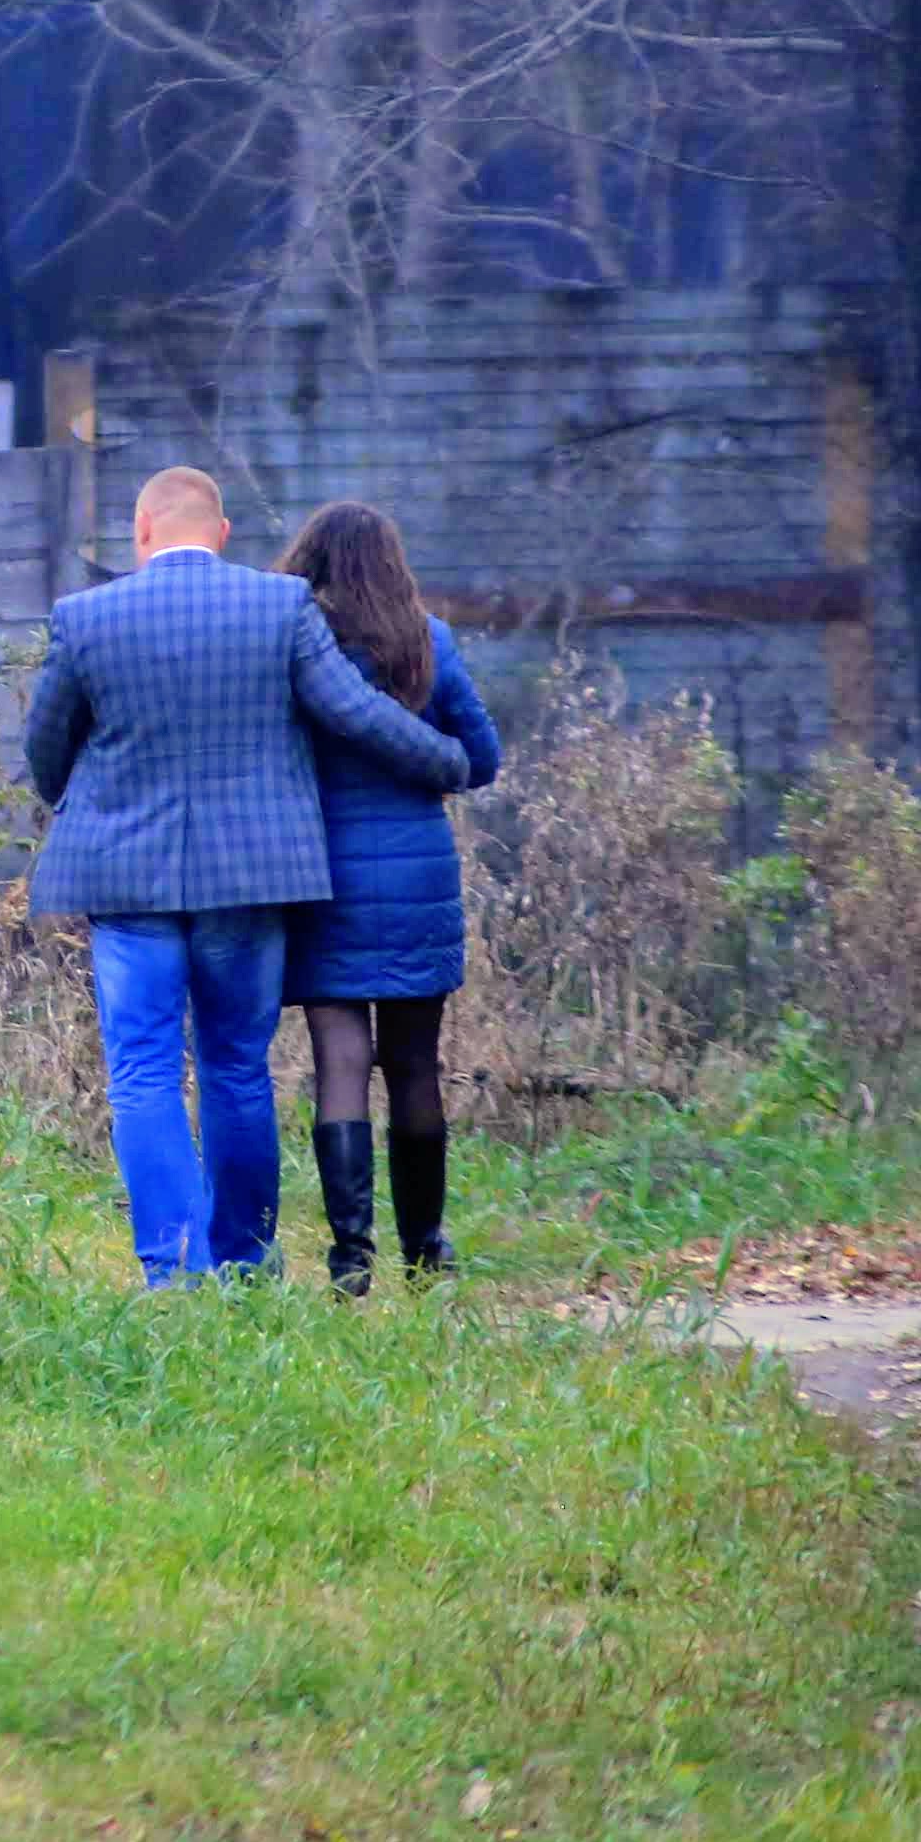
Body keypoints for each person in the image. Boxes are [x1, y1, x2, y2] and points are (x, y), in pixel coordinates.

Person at [24, 466, 478, 1285]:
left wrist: (83, 800)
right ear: (223, 531)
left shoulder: (84, 617)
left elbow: (45, 750)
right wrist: (448, 759)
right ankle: (246, 1258)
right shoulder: (280, 606)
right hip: (251, 877)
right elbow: (356, 712)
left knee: (143, 1070)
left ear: (141, 530)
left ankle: (175, 1267)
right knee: (236, 1065)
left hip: (126, 880)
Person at [270, 501, 501, 1291]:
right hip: (416, 880)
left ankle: (350, 1256)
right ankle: (425, 1249)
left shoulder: (296, 651)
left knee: (339, 1059)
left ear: (311, 563)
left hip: (323, 877)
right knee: (413, 1063)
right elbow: (484, 757)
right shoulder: (426, 643)